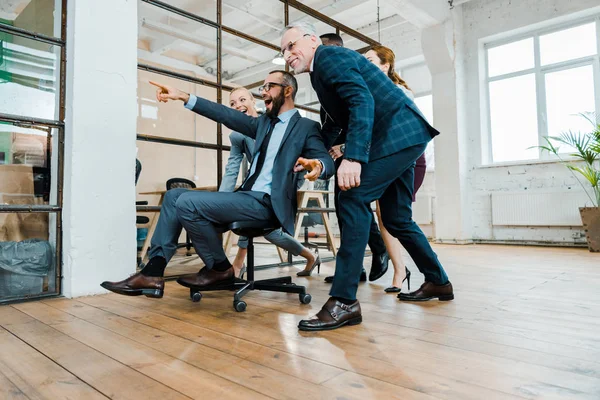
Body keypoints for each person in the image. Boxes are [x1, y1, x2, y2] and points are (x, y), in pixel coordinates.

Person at [281, 22, 453, 332]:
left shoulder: (329, 57)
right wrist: (318, 157)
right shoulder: (321, 74)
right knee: (398, 218)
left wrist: (355, 158)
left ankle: (344, 301)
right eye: (283, 51)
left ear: (311, 40)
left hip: (397, 134)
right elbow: (334, 126)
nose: (287, 54)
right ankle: (438, 281)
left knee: (352, 196)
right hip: (403, 136)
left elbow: (362, 102)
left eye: (291, 46)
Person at [101, 70, 334, 298]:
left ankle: (221, 269)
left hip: (267, 204)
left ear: (288, 90)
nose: (263, 92)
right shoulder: (263, 123)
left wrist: (318, 166)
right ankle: (153, 272)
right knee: (174, 197)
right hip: (247, 197)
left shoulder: (305, 127)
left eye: (268, 87)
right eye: (262, 88)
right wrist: (183, 96)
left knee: (188, 203)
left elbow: (325, 161)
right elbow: (224, 114)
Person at [329, 45, 427, 294]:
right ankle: (401, 271)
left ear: (386, 66)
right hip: (382, 155)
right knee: (387, 216)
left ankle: (406, 272)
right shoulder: (367, 91)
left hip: (407, 157)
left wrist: (345, 147)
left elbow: (385, 132)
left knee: (394, 216)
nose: (365, 65)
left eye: (371, 61)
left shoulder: (399, 91)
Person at [221, 87, 321, 278]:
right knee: (269, 230)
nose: (238, 105)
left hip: (289, 178)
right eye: (232, 103)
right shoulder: (237, 136)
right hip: (261, 185)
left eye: (243, 100)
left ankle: (238, 263)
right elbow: (231, 170)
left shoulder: (271, 123)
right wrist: (220, 202)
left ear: (253, 101)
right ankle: (310, 257)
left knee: (251, 210)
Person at [318, 33, 390, 284]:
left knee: (353, 205)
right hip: (337, 154)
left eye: (324, 50)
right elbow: (329, 123)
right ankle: (354, 267)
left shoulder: (344, 72)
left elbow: (363, 117)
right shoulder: (325, 77)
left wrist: (346, 148)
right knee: (342, 209)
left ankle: (379, 247)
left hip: (358, 153)